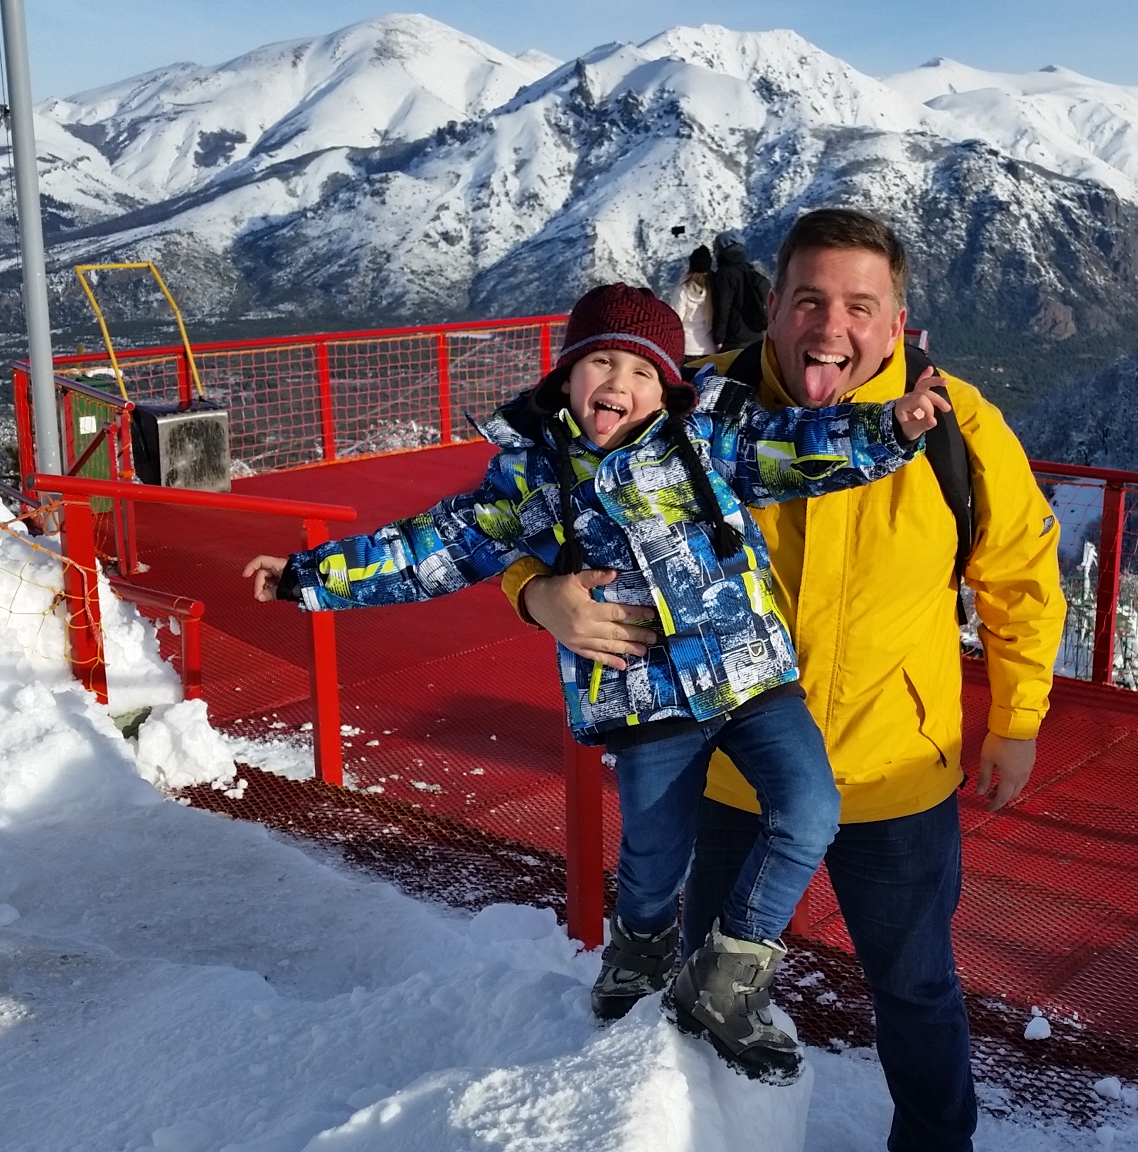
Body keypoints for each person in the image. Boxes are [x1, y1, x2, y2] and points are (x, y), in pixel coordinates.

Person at [241, 283, 950, 1084]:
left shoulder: (709, 437)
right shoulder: (538, 474)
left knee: (810, 809)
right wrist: (309, 575)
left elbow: (803, 444)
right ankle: (640, 952)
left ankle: (726, 976)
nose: (622, 383)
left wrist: (890, 427)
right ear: (568, 375)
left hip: (749, 673)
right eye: (602, 363)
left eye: (643, 372)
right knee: (653, 859)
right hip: (642, 694)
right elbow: (431, 546)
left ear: (668, 386)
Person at [503, 209, 1066, 1152]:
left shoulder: (956, 428)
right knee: (710, 983)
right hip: (727, 761)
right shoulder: (690, 408)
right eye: (809, 299)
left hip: (893, 771)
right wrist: (539, 596)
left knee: (917, 989)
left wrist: (1016, 719)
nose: (830, 325)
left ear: (898, 321)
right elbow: (537, 511)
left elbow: (1020, 579)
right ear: (773, 306)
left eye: (859, 304)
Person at [708, 233, 771, 350]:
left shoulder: (725, 273)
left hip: (735, 338)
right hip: (756, 335)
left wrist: (718, 338)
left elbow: (723, 307)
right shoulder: (748, 269)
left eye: (715, 248)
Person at [671, 245, 717, 358]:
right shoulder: (715, 288)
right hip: (710, 346)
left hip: (688, 347)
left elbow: (676, 318)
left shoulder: (683, 289)